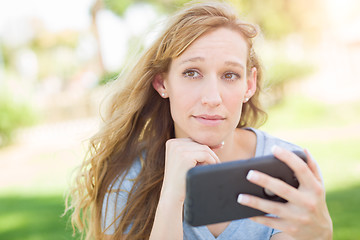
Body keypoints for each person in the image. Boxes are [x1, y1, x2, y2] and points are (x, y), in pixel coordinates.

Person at [66, 1, 333, 239]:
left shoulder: (288, 171)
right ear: (162, 83)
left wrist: (320, 236)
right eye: (192, 73)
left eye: (229, 75)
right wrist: (171, 197)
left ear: (249, 85)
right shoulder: (128, 181)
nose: (212, 97)